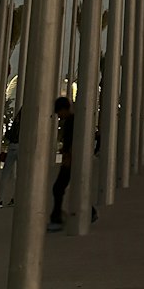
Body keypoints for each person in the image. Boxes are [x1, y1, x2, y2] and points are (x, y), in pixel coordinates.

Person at [48, 96, 97, 232]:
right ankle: (90, 212)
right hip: (73, 159)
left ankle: (57, 219)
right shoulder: (72, 121)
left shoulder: (71, 122)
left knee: (58, 188)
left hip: (72, 160)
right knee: (70, 187)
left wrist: (67, 157)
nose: (58, 115)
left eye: (59, 112)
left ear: (64, 109)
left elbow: (73, 141)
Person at [0, 108, 22, 206]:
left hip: (12, 146)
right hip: (21, 146)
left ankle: (0, 199)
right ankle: (15, 198)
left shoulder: (16, 120)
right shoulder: (28, 120)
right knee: (21, 175)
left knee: (5, 174)